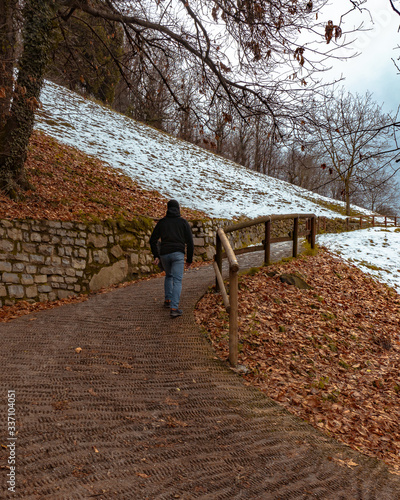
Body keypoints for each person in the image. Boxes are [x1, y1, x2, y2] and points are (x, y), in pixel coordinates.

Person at [150, 200, 194, 318]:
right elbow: (190, 242)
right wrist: (189, 259)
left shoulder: (162, 223)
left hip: (164, 254)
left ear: (167, 208)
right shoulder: (183, 222)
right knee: (177, 280)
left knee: (168, 276)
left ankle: (168, 300)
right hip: (178, 254)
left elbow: (152, 240)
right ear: (178, 209)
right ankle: (174, 308)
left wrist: (156, 255)